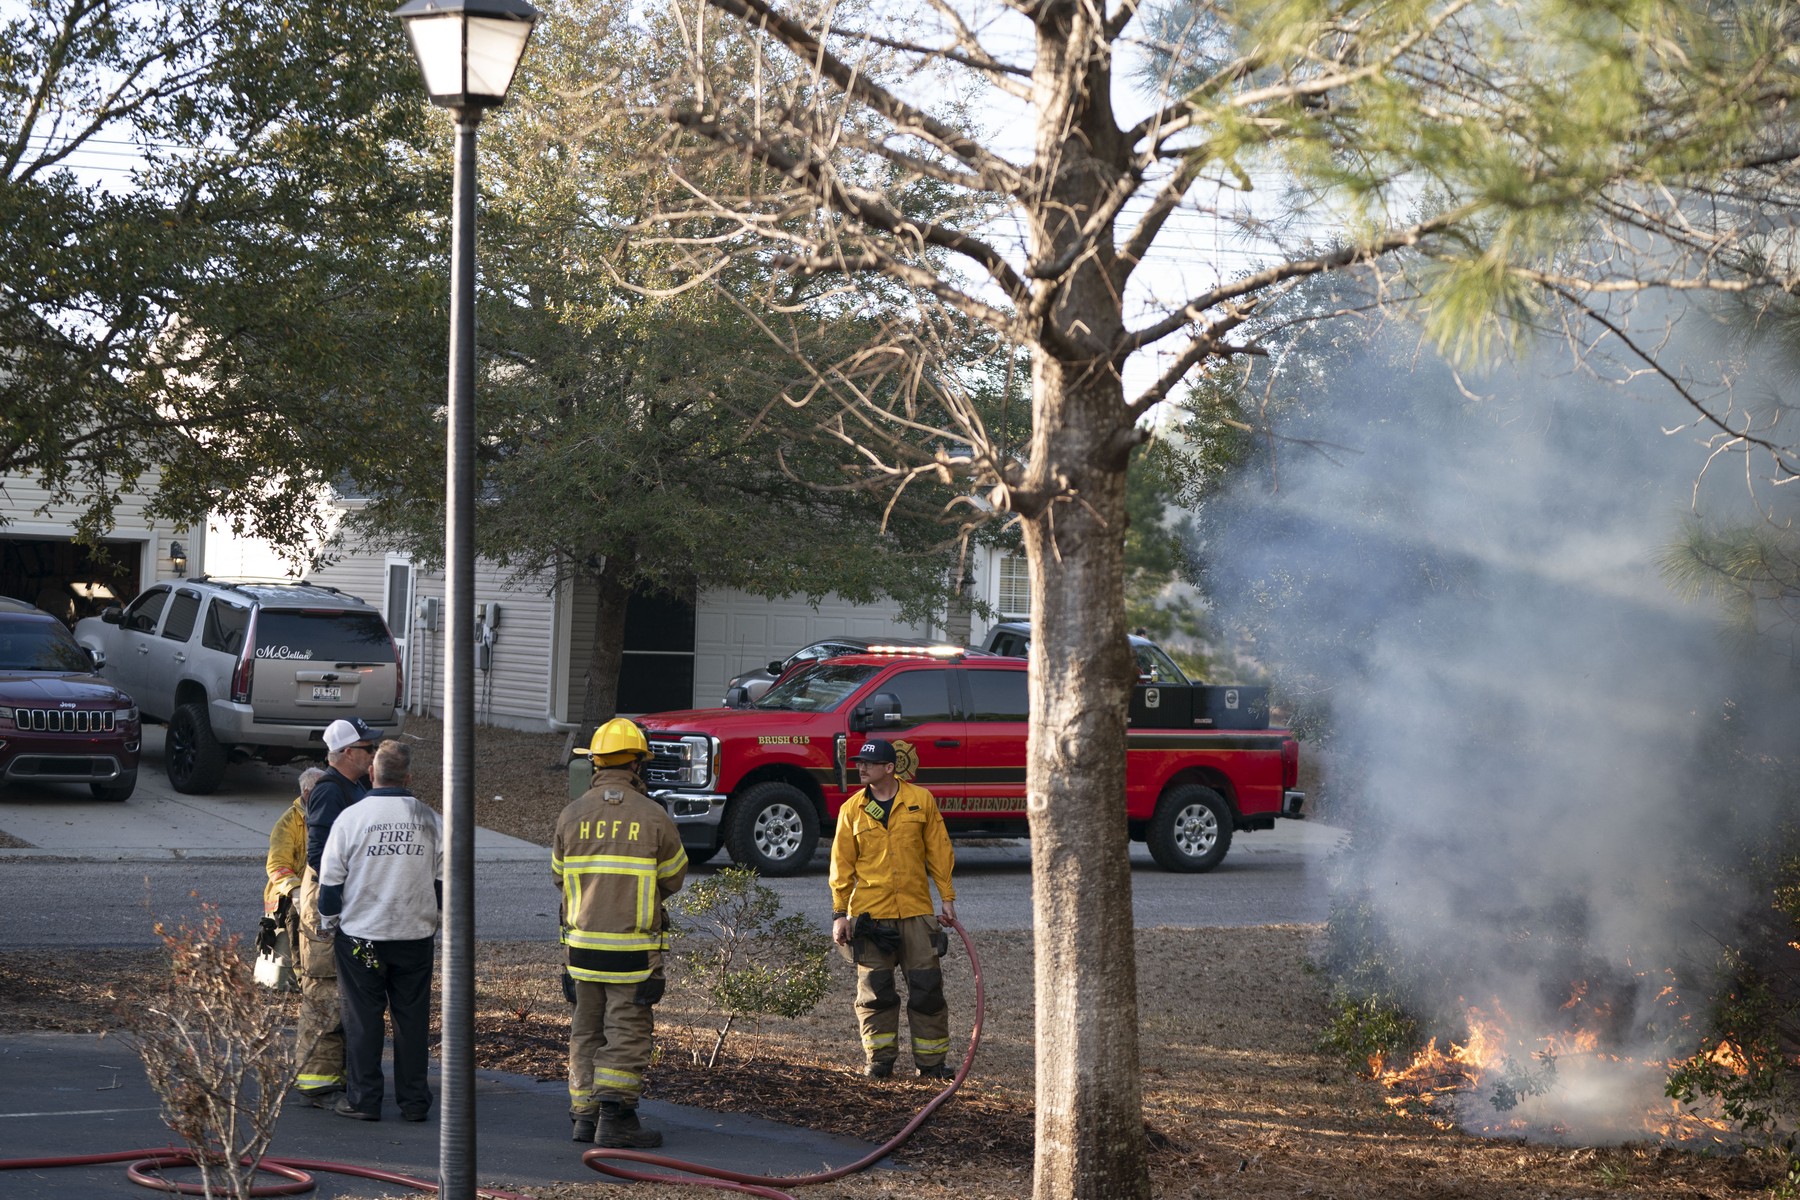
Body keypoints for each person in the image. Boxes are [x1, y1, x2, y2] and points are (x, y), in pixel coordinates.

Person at [553, 717, 688, 1147]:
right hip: (632, 952)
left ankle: (583, 1117)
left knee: (585, 1029)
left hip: (580, 950)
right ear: (637, 765)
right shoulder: (652, 817)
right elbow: (673, 877)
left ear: (595, 763)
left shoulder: (571, 815)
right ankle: (616, 1118)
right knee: (627, 1030)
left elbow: (559, 877)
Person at [317, 740, 443, 1122]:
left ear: (372, 773)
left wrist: (329, 925)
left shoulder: (352, 819)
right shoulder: (430, 820)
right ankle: (414, 1100)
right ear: (408, 776)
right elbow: (442, 882)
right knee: (412, 1020)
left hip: (362, 937)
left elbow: (329, 884)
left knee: (363, 1018)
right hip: (414, 936)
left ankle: (364, 1098)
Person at [829, 738, 958, 1080]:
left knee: (927, 990)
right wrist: (839, 914)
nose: (861, 768)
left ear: (889, 768)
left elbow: (939, 851)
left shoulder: (920, 801)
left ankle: (931, 1065)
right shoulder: (852, 810)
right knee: (875, 993)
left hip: (916, 913)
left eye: (868, 764)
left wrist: (947, 898)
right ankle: (879, 1061)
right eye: (859, 763)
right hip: (871, 917)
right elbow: (841, 866)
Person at [293, 717, 380, 1104]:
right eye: (367, 749)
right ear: (347, 753)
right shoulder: (331, 791)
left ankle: (338, 1075)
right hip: (329, 905)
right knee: (325, 995)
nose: (373, 755)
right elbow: (319, 855)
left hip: (348, 902)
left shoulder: (356, 786)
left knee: (346, 995)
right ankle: (317, 1082)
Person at [257, 766, 328, 991]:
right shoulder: (288, 823)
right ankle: (302, 976)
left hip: (319, 887)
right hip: (286, 894)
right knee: (297, 915)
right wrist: (296, 890)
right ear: (307, 794)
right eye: (323, 791)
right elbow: (277, 865)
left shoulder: (329, 816)